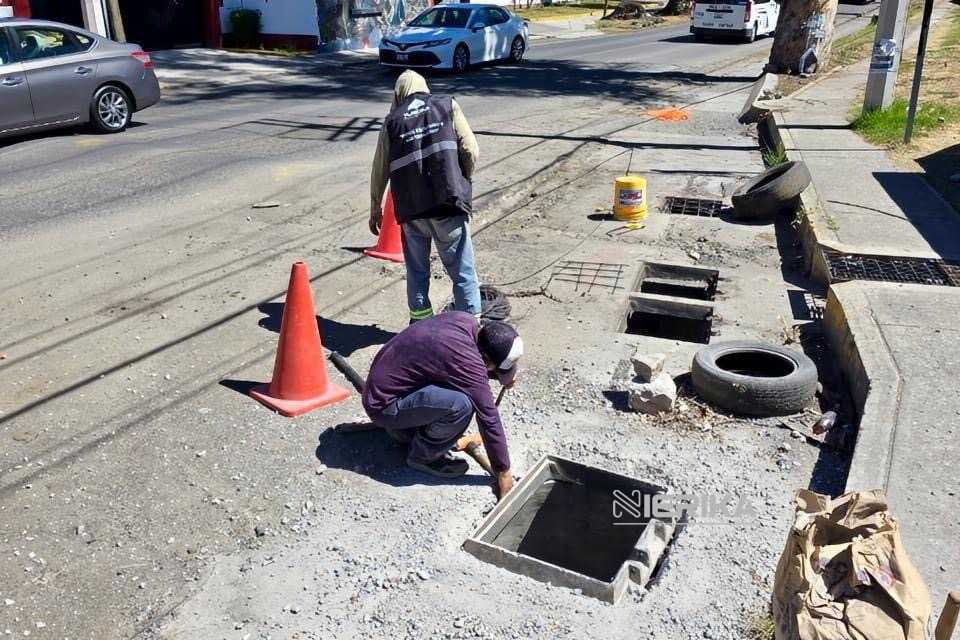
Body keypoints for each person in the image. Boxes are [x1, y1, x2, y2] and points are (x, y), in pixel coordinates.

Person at [361, 313, 522, 500]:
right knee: (462, 405)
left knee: (458, 389)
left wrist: (501, 374)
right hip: (384, 406)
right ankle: (422, 457)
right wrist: (503, 471)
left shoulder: (465, 322)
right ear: (485, 358)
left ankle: (405, 430)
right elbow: (488, 418)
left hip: (388, 387)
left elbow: (473, 368)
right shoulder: (466, 361)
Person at [369, 69, 481, 324]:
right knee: (462, 272)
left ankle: (420, 326)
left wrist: (376, 209)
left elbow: (379, 169)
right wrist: (464, 179)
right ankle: (470, 331)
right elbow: (471, 150)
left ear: (399, 94)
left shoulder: (392, 121)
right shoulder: (447, 105)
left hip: (412, 210)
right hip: (447, 203)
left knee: (417, 272)